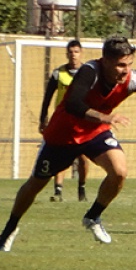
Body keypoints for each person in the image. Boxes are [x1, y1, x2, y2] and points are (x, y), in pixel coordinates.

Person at [0, 35, 136, 251]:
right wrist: (105, 117)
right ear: (105, 60)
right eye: (120, 65)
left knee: (119, 171)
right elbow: (73, 104)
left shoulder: (132, 79)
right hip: (62, 137)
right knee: (35, 185)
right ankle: (10, 228)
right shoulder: (90, 72)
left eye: (129, 64)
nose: (126, 70)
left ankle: (93, 216)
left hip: (94, 133)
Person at [39, 39, 90, 202]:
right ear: (67, 54)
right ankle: (58, 191)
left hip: (81, 119)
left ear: (81, 53)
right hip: (62, 119)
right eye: (70, 52)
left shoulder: (88, 73)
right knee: (60, 154)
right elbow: (47, 97)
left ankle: (81, 189)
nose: (73, 55)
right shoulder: (58, 73)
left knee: (83, 156)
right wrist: (43, 118)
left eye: (76, 52)